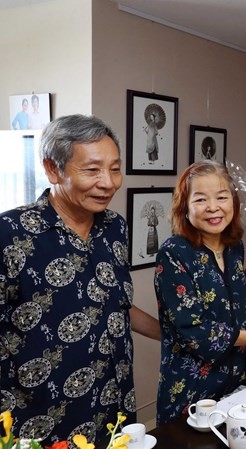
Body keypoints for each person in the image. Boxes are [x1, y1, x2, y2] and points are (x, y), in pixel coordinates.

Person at [0, 114, 160, 447]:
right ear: (52, 169)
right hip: (40, 423)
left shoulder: (115, 227)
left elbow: (115, 303)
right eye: (92, 170)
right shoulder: (9, 234)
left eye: (115, 169)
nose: (109, 182)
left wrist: (173, 335)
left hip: (114, 409)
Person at [154, 160, 246, 425]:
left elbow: (239, 307)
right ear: (184, 206)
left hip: (237, 383)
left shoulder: (234, 248)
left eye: (222, 197)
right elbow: (194, 332)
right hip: (192, 389)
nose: (213, 207)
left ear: (234, 202)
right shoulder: (173, 253)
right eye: (200, 199)